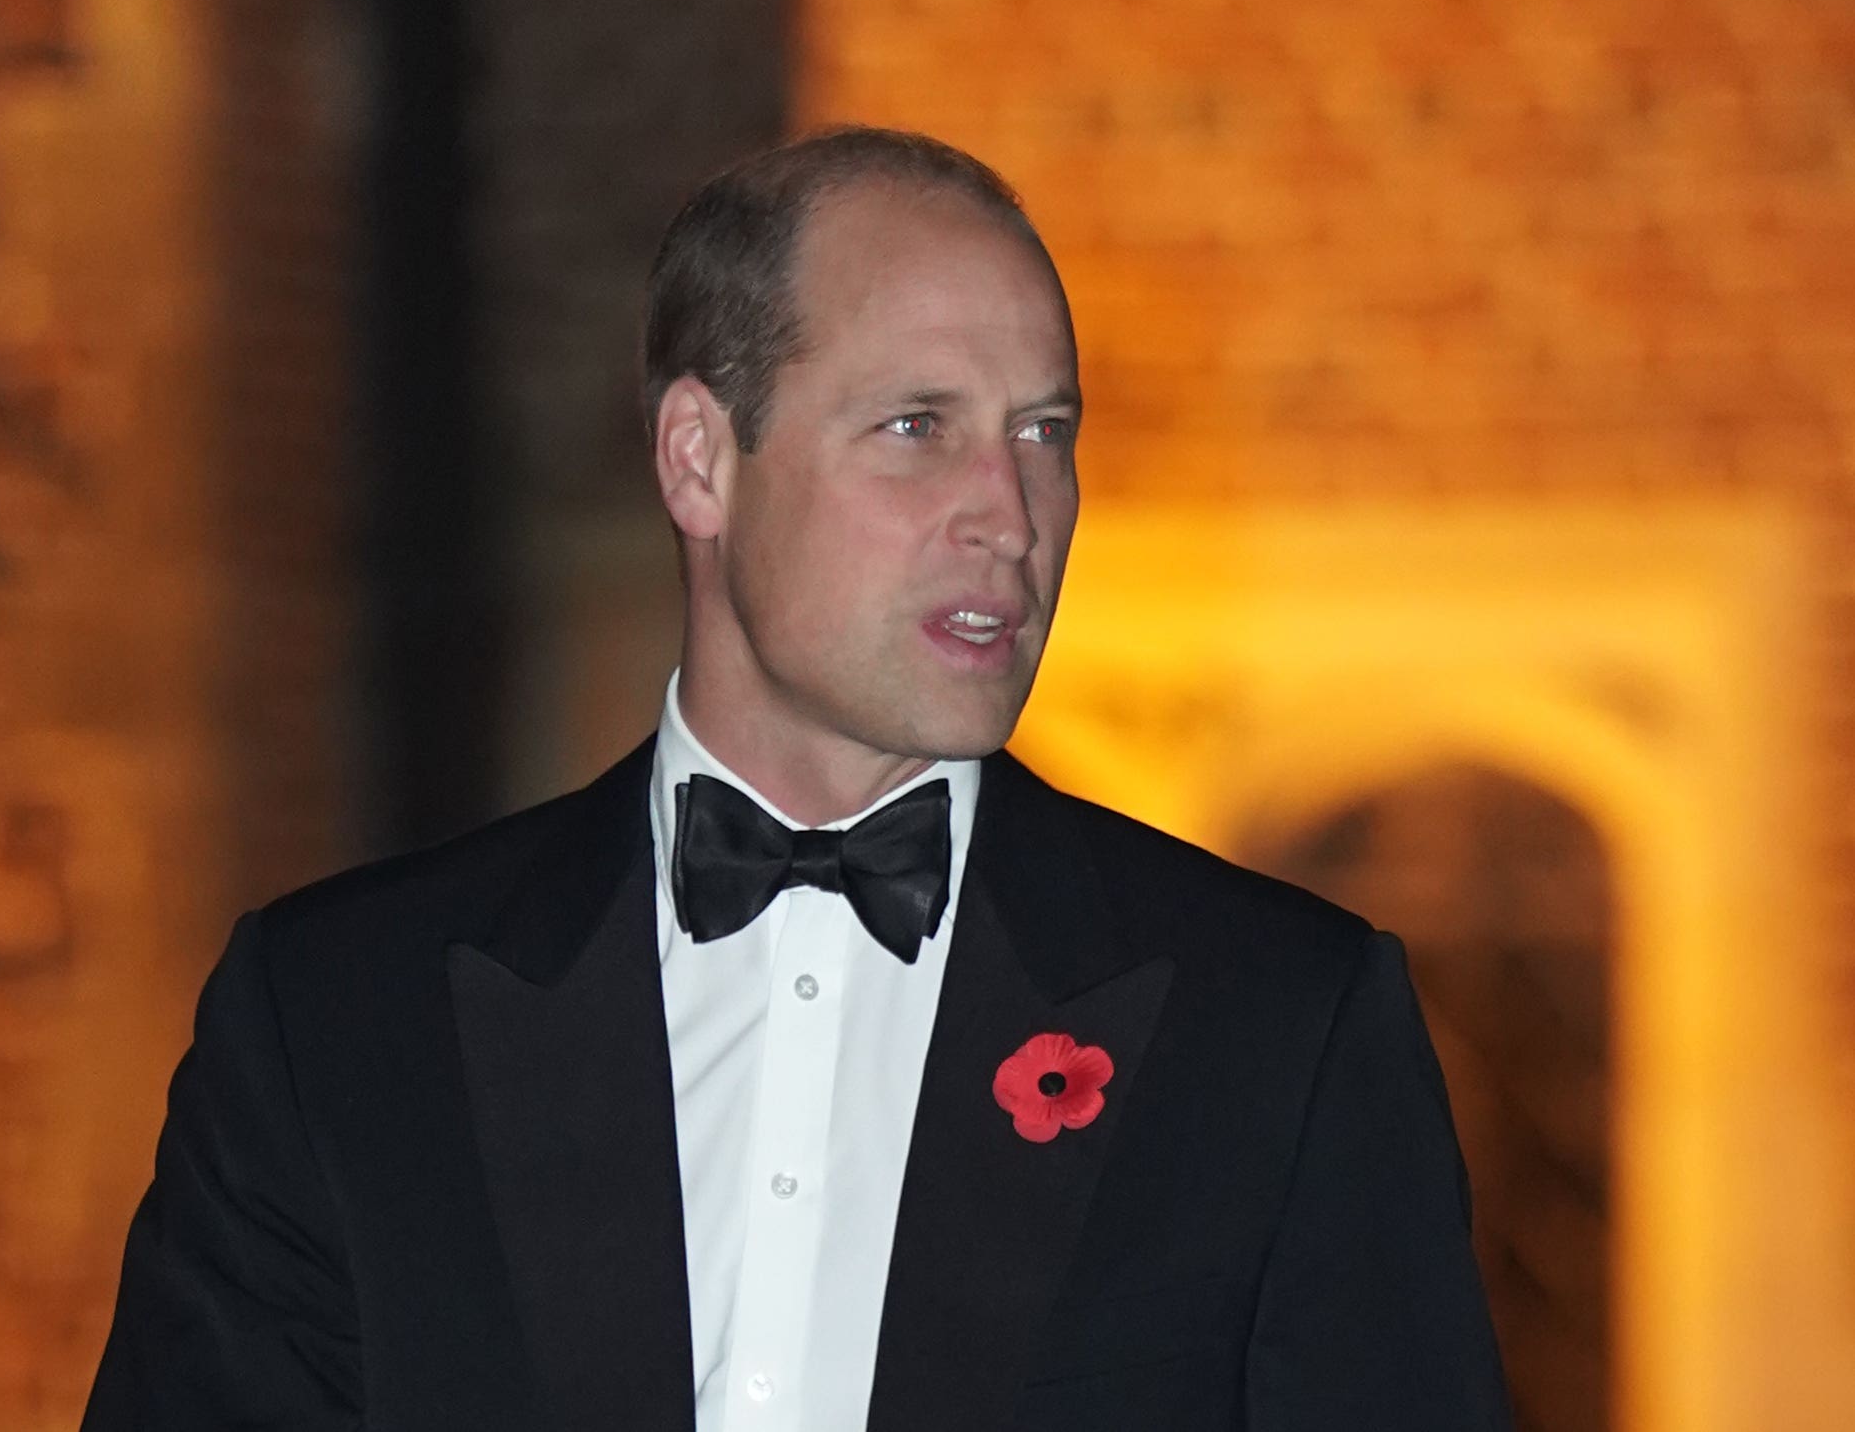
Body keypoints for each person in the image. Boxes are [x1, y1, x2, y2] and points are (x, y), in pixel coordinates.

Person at [83, 127, 1511, 1431]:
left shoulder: (1277, 1025)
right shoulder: (338, 1015)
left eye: (1043, 432)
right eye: (916, 427)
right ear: (700, 460)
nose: (1008, 513)